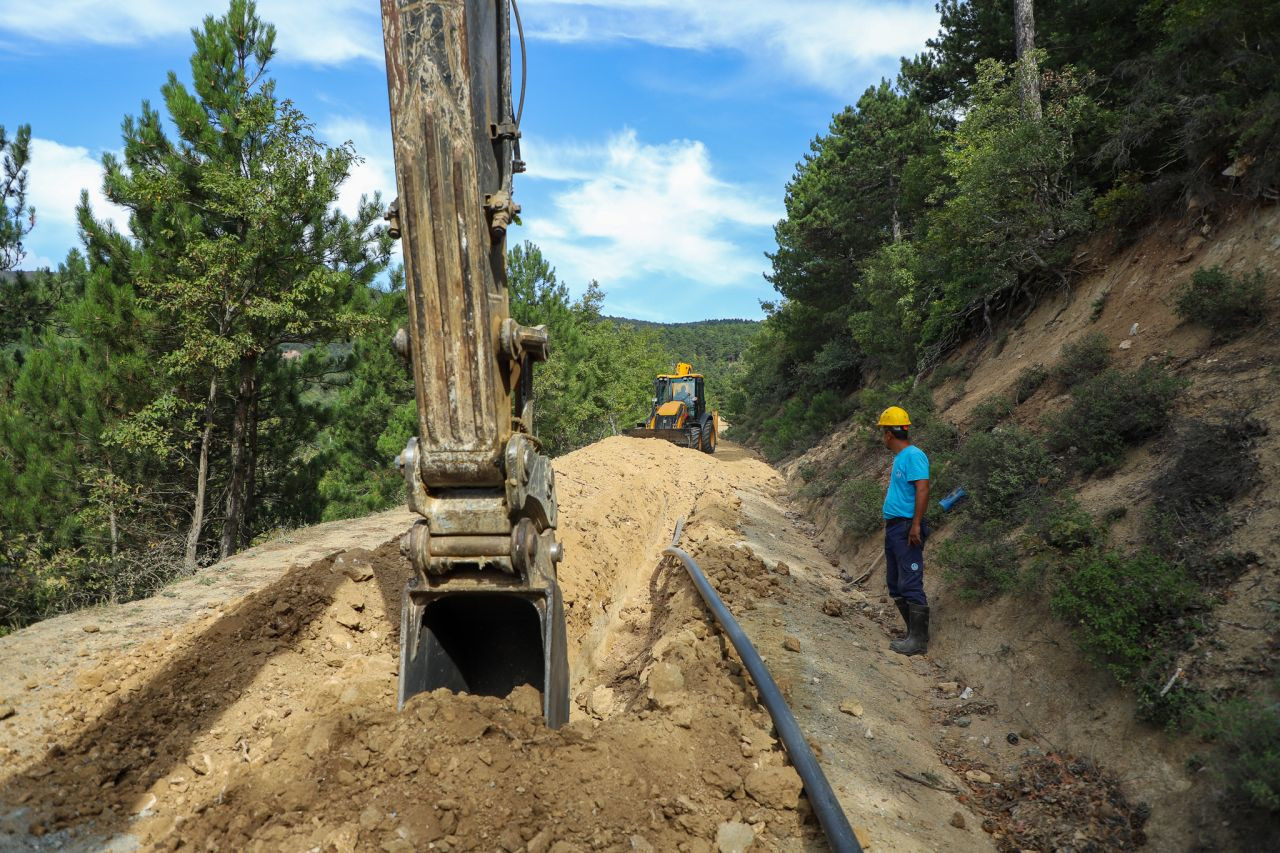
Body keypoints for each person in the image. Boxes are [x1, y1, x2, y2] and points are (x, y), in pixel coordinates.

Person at [877, 406, 930, 656]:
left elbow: (922, 488)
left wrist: (916, 524)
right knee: (895, 582)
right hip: (896, 527)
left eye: (883, 432)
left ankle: (918, 641)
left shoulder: (914, 456)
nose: (882, 437)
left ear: (889, 434)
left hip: (907, 526)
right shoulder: (901, 458)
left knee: (910, 580)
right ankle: (912, 633)